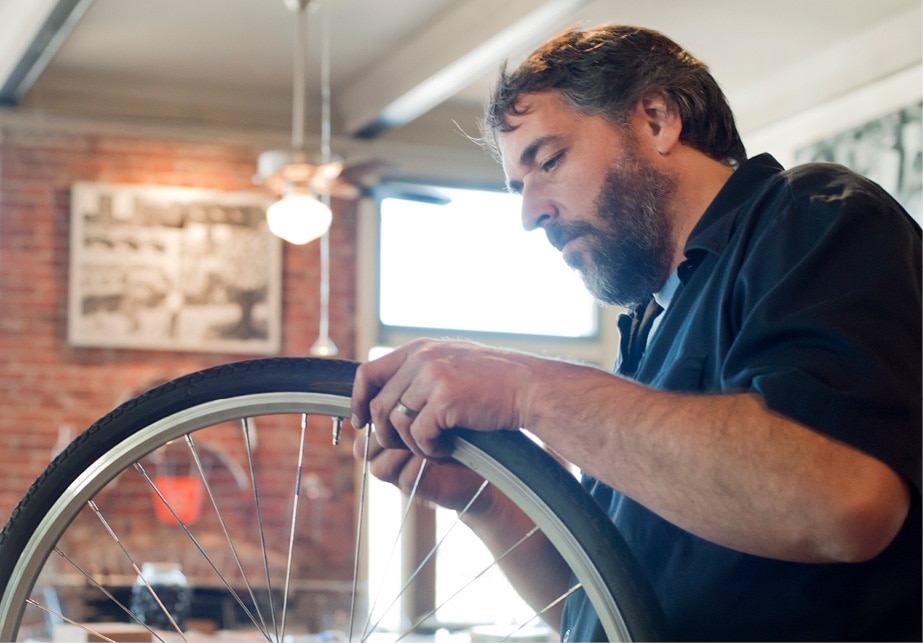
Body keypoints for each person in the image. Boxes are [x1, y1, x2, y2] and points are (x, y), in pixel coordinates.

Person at [350, 24, 922, 642]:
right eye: (520, 187)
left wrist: (528, 390)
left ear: (656, 119)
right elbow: (604, 608)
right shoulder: (651, 324)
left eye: (550, 160)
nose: (530, 214)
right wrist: (486, 499)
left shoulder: (809, 215)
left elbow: (845, 503)